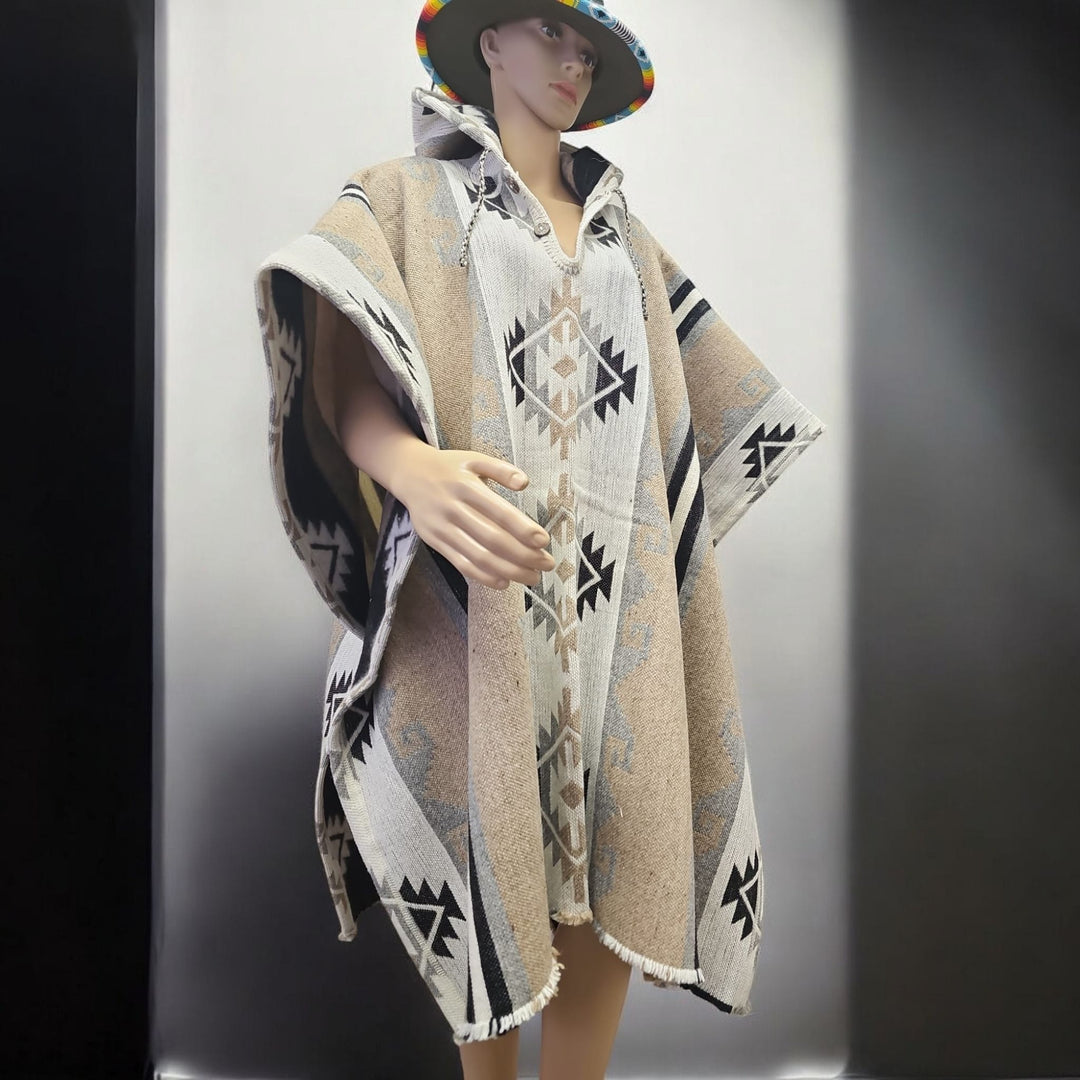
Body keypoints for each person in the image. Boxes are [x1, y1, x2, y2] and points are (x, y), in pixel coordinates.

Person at [254, 2, 826, 1076]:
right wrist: (413, 471)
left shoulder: (625, 239)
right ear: (489, 44)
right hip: (472, 602)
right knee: (495, 837)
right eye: (550, 32)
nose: (573, 59)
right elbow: (343, 374)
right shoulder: (408, 198)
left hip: (616, 618)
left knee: (615, 844)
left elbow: (683, 416)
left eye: (588, 47)